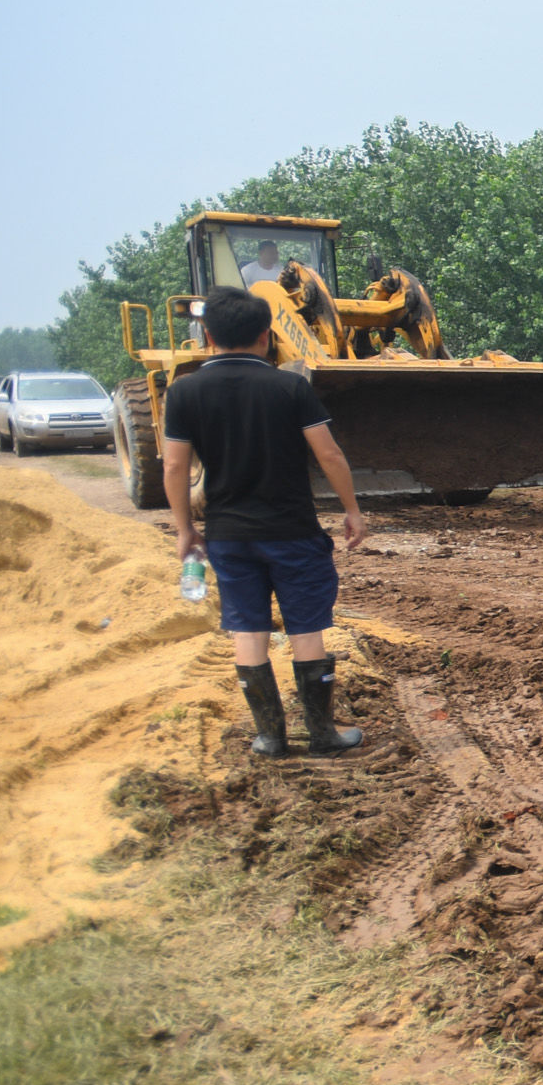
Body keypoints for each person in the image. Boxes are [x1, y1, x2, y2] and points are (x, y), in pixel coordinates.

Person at [163, 288, 369, 757]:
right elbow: (329, 453)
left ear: (209, 336)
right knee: (305, 630)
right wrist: (352, 510)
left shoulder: (184, 391)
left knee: (248, 630)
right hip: (293, 531)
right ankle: (321, 734)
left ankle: (270, 737)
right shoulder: (290, 386)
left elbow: (174, 468)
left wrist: (184, 530)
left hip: (229, 536)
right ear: (265, 336)